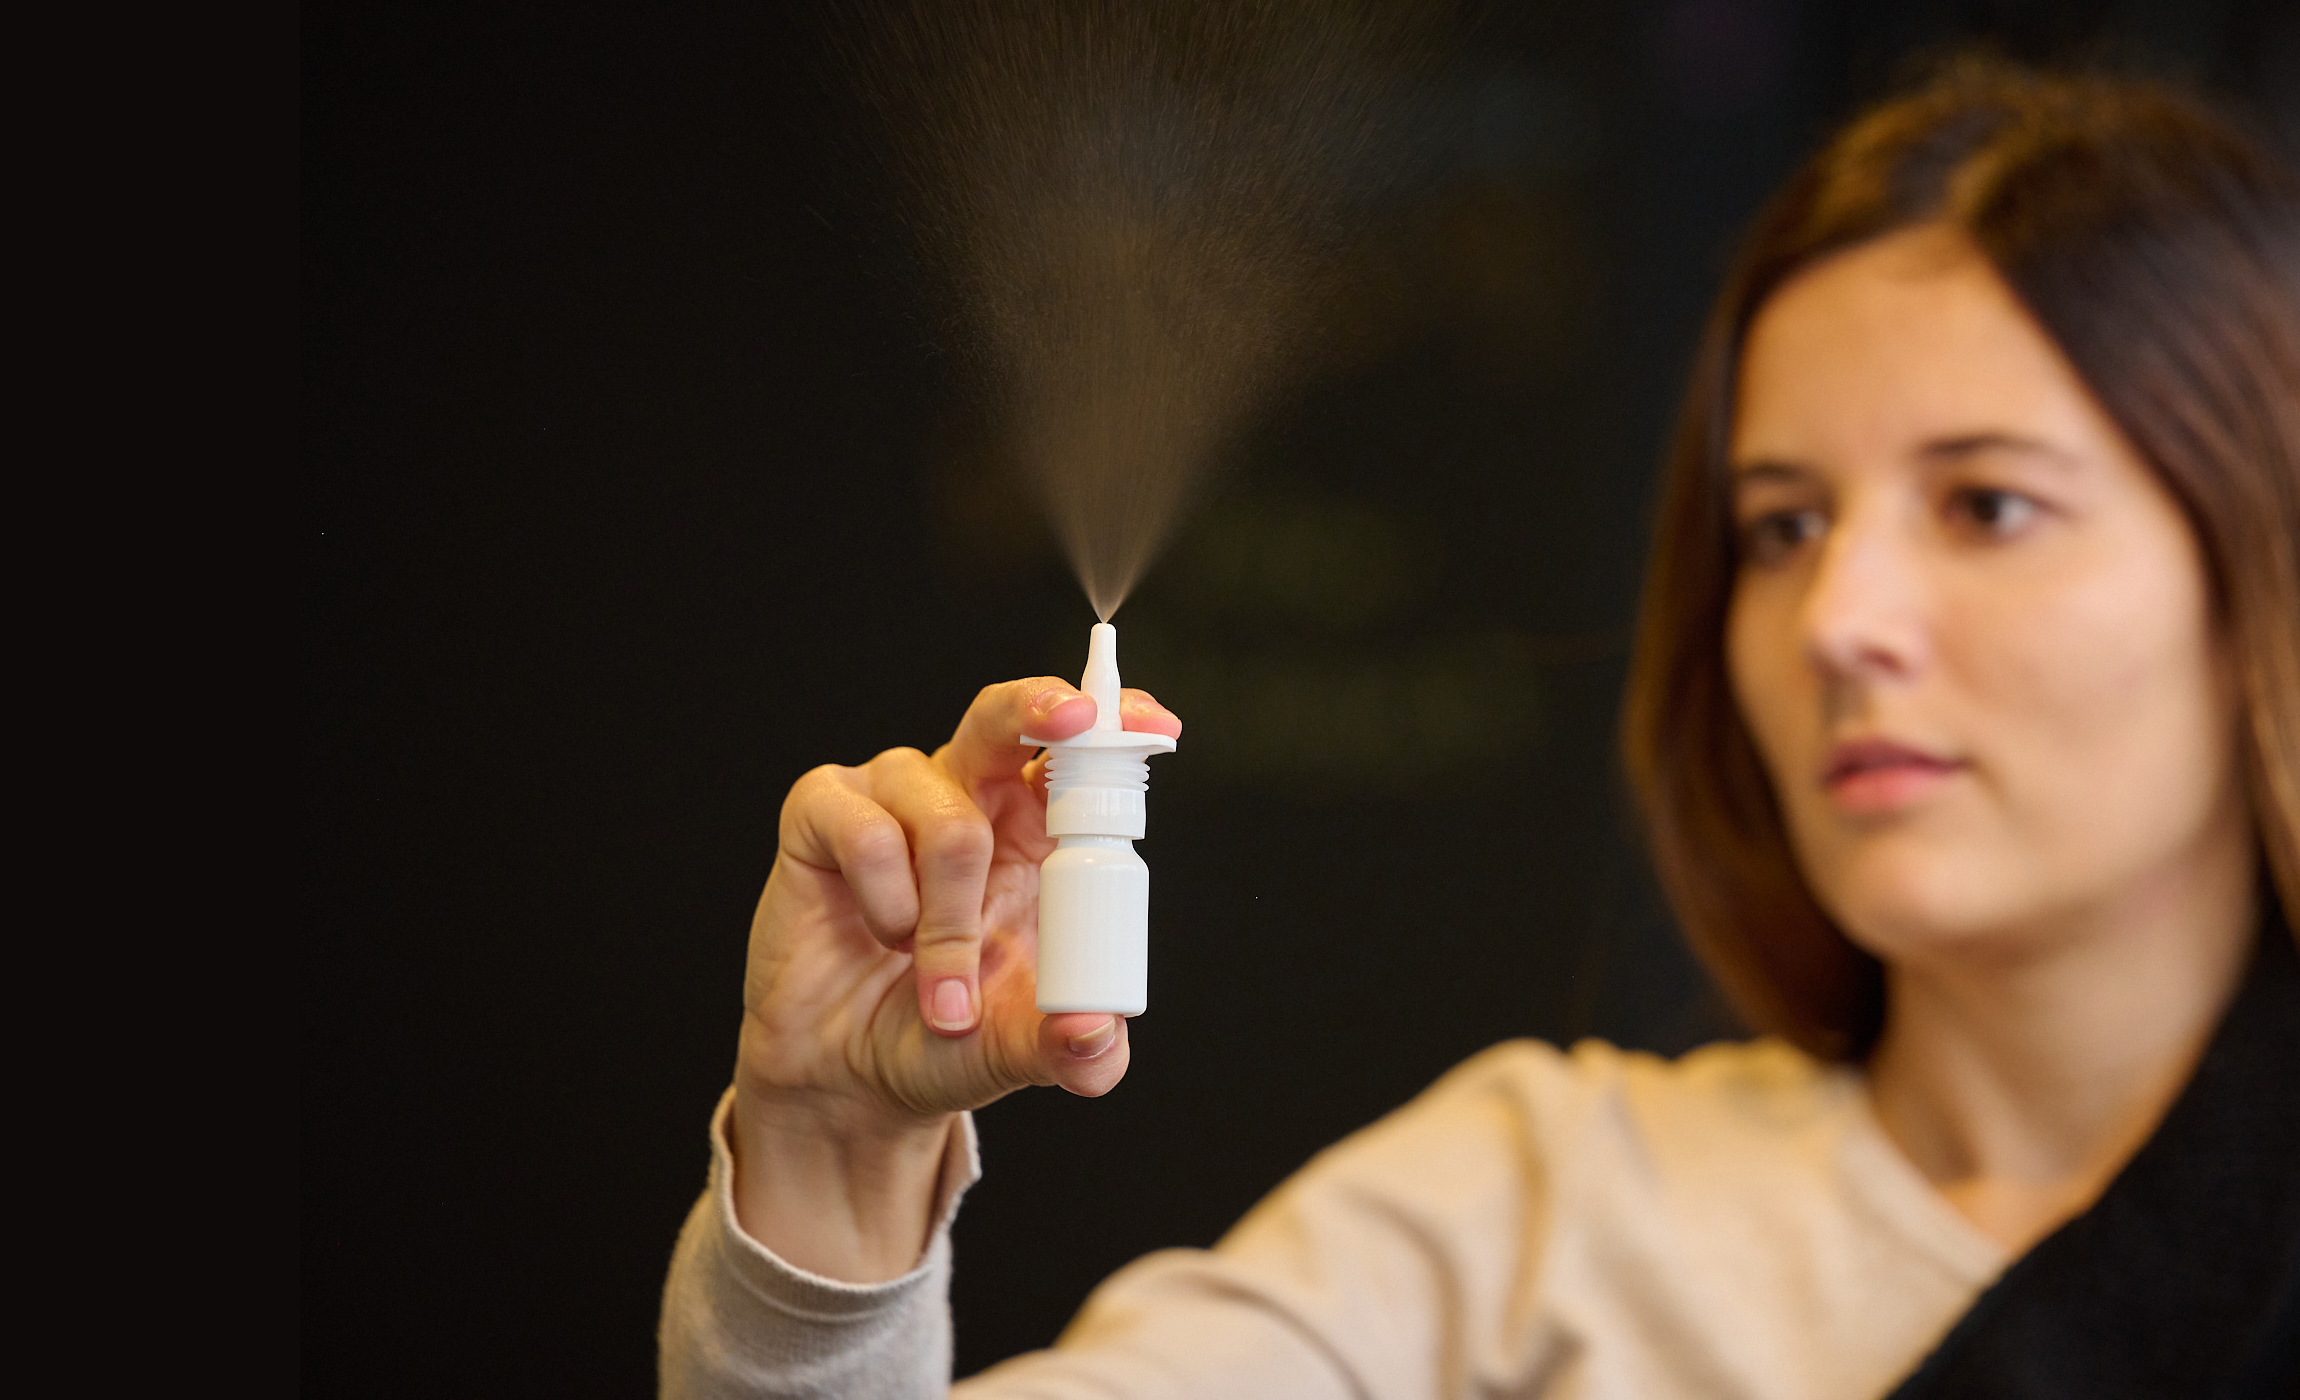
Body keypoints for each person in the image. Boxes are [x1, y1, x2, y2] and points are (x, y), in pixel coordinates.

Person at [659, 63, 2300, 1398]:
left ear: (2261, 574)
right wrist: (831, 1154)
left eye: (1990, 504)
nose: (1840, 618)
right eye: (1782, 525)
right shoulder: (1527, 1211)